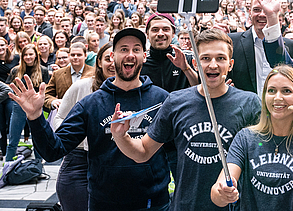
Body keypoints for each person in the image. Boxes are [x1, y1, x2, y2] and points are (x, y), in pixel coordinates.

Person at [7, 28, 171, 210]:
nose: (130, 55)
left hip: (154, 202)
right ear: (113, 55)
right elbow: (53, 150)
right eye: (123, 49)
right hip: (104, 202)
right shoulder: (91, 104)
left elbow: (175, 153)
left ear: (144, 56)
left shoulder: (162, 100)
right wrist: (35, 117)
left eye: (136, 49)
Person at [111, 29, 261, 210]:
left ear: (230, 64)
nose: (213, 65)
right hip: (186, 205)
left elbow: (262, 151)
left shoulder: (250, 102)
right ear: (195, 63)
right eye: (205, 58)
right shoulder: (176, 101)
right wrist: (121, 136)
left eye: (220, 58)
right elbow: (143, 151)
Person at [211, 65, 293, 210]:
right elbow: (217, 195)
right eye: (271, 91)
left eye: (286, 91)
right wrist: (223, 192)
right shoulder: (246, 138)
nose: (278, 97)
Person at [52, 43, 114, 211]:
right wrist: (76, 136)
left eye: (117, 58)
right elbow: (60, 118)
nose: (113, 63)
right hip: (79, 160)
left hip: (113, 161)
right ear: (99, 62)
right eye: (108, 58)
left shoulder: (130, 90)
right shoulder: (82, 86)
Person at [227, 0, 293, 95]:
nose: (262, 14)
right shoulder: (232, 42)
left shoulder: (292, 46)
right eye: (257, 10)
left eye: (266, 10)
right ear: (250, 12)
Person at [5, 44, 51, 161]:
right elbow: (7, 85)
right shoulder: (16, 70)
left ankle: (38, 167)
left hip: (36, 108)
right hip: (19, 106)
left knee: (38, 140)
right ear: (22, 56)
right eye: (25, 55)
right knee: (13, 140)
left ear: (36, 55)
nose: (28, 57)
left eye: (31, 54)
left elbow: (47, 89)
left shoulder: (43, 70)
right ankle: (8, 169)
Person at [43, 42, 95, 111]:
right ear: (69, 55)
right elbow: (47, 95)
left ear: (85, 56)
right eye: (73, 55)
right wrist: (53, 101)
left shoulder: (94, 73)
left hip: (89, 113)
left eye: (79, 55)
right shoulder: (58, 74)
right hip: (65, 115)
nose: (75, 57)